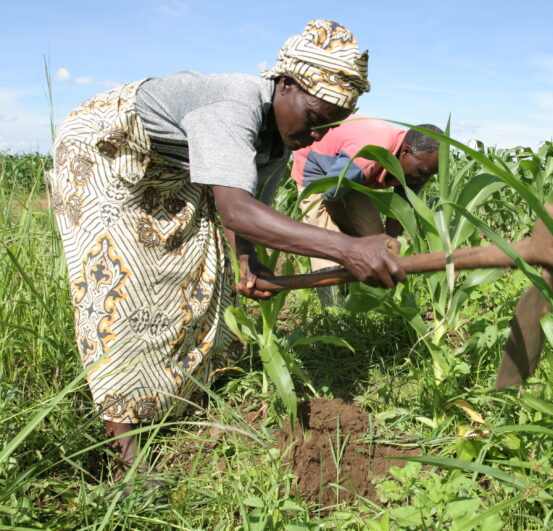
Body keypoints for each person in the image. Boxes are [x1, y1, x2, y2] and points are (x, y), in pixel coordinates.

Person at [46, 20, 405, 478]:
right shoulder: (233, 106)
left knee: (199, 273)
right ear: (286, 84)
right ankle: (127, 459)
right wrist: (347, 249)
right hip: (104, 151)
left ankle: (181, 400)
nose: (317, 136)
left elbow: (250, 210)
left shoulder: (278, 139)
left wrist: (247, 261)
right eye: (315, 120)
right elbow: (235, 211)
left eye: (329, 126)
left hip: (173, 166)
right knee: (121, 286)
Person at [291, 118, 441, 303]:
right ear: (406, 152)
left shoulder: (417, 170)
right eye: (423, 172)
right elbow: (331, 197)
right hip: (318, 175)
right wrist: (353, 239)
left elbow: (399, 210)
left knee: (374, 235)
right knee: (328, 240)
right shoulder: (369, 154)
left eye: (431, 174)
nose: (424, 179)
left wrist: (390, 250)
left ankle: (367, 299)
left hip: (353, 179)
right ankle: (333, 310)